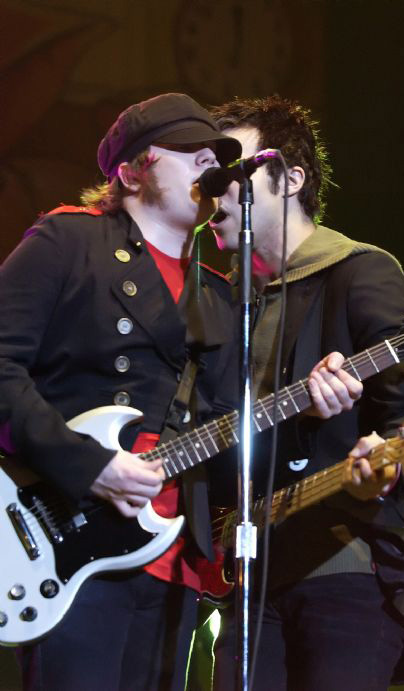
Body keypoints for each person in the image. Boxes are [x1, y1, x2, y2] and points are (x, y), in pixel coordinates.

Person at [0, 92, 248, 691]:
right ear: (133, 170)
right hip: (67, 545)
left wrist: (314, 407)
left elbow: (222, 434)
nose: (208, 163)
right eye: (189, 149)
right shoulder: (70, 241)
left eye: (215, 154)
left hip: (174, 565)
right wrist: (90, 467)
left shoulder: (219, 297)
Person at [207, 96, 404, 690]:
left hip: (343, 567)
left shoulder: (360, 271)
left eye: (233, 172)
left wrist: (382, 465)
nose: (213, 190)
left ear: (290, 179)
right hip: (248, 579)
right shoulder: (220, 303)